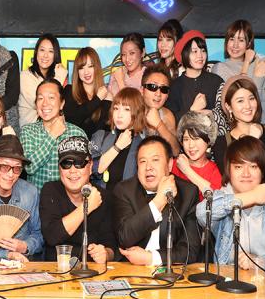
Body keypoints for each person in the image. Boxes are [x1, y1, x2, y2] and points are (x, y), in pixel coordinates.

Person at [199, 136, 265, 268]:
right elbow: (202, 214)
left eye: (253, 166)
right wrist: (251, 197)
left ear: (262, 170)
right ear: (228, 170)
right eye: (238, 167)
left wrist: (258, 263)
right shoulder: (222, 197)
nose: (246, 174)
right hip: (228, 275)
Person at [112, 136, 200, 266]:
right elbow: (125, 238)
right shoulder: (124, 190)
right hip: (130, 268)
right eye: (142, 161)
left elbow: (190, 250)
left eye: (155, 160)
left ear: (169, 164)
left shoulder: (188, 193)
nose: (148, 167)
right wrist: (158, 202)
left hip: (171, 270)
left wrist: (151, 258)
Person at [39, 136, 117, 263]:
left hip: (92, 270)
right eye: (66, 164)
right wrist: (87, 207)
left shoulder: (104, 197)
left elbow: (111, 246)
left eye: (79, 163)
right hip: (57, 270)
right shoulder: (50, 191)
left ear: (90, 167)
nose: (72, 170)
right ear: (59, 169)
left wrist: (105, 254)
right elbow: (52, 236)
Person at [21, 79, 86, 190]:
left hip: (66, 199)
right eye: (40, 98)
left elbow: (83, 173)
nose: (45, 103)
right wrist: (52, 135)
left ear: (62, 104)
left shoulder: (76, 133)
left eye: (51, 97)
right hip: (36, 198)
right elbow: (29, 167)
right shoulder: (28, 131)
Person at [214, 76, 265, 182]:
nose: (248, 106)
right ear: (228, 107)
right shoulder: (222, 144)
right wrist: (251, 140)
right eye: (240, 101)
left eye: (251, 98)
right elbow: (231, 180)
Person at [90, 87, 146, 190]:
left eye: (126, 109)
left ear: (137, 113)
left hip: (126, 199)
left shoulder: (143, 145)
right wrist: (117, 147)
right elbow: (92, 170)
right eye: (116, 108)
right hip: (99, 197)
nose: (119, 115)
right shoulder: (101, 136)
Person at [166, 30, 223, 122]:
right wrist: (192, 110)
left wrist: (212, 114)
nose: (200, 55)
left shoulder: (216, 81)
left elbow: (226, 115)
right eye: (194, 51)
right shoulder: (175, 86)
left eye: (203, 50)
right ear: (184, 54)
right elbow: (171, 122)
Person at [19, 34, 69, 126]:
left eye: (51, 51)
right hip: (30, 129)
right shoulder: (25, 76)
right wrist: (59, 78)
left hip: (54, 128)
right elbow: (42, 104)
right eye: (42, 50)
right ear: (36, 52)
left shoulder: (57, 74)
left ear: (55, 55)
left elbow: (62, 106)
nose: (45, 55)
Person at [62, 47, 112, 138]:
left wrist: (105, 100)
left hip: (96, 146)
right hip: (72, 144)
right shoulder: (69, 91)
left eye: (90, 66)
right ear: (77, 71)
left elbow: (103, 131)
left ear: (96, 67)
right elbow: (72, 121)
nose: (86, 72)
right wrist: (97, 99)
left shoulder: (107, 96)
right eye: (81, 68)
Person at [172, 111, 222, 199]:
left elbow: (217, 199)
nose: (191, 145)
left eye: (196, 138)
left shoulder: (213, 171)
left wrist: (187, 170)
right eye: (186, 139)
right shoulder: (174, 164)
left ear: (208, 140)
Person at [141, 66, 180, 155]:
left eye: (164, 89)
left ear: (167, 95)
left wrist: (159, 124)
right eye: (152, 87)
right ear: (142, 90)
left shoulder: (167, 115)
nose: (158, 94)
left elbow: (175, 151)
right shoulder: (132, 110)